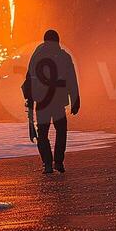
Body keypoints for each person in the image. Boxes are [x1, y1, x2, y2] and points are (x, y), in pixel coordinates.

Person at [22, 29, 80, 174]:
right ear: (58, 40)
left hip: (42, 100)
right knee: (61, 131)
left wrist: (30, 99)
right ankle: (58, 162)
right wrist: (75, 99)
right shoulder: (64, 56)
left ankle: (47, 163)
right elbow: (71, 79)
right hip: (58, 100)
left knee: (42, 133)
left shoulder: (36, 55)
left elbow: (29, 78)